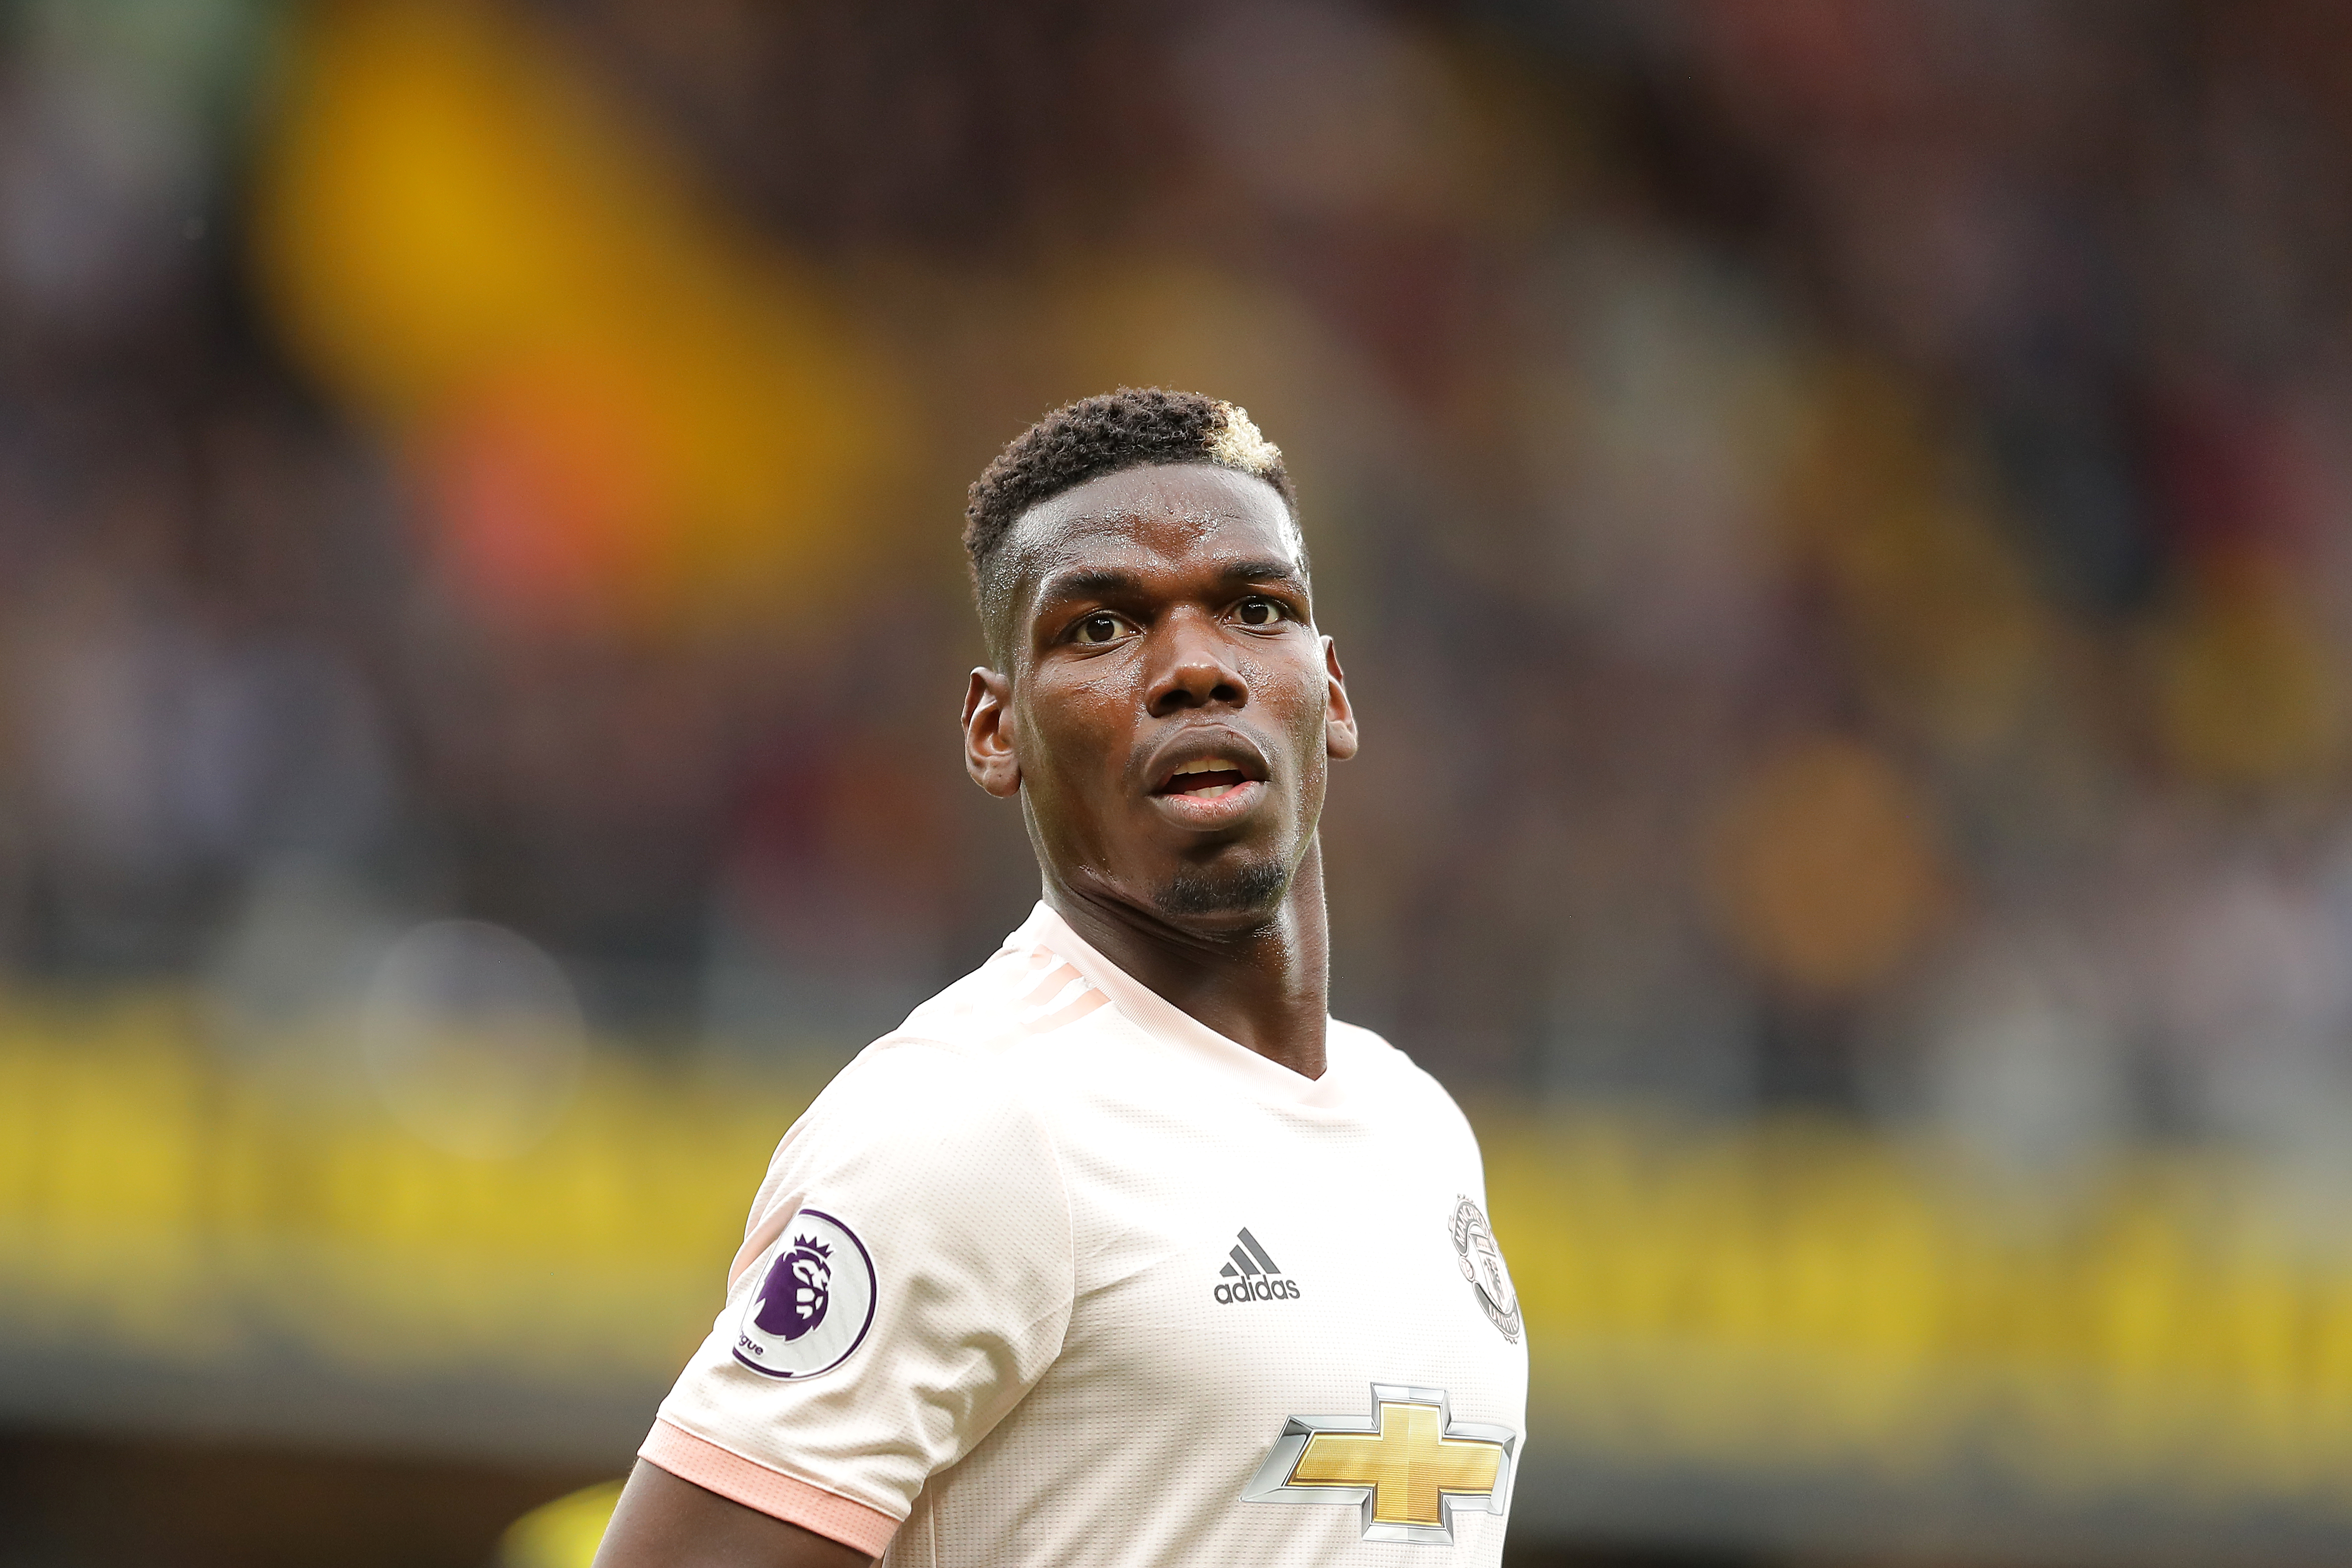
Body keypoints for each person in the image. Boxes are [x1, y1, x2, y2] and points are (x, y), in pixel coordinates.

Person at [593, 388, 1528, 1567]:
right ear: (995, 733)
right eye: (1099, 628)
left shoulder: (1417, 1129)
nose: (1195, 667)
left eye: (1253, 609)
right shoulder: (971, 1125)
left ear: (1330, 692)